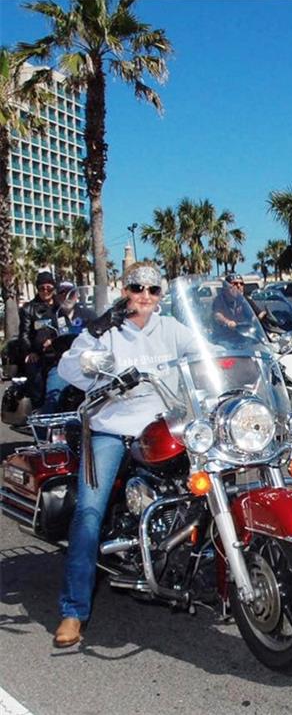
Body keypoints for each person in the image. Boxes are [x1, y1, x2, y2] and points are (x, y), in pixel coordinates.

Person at [53, 262, 201, 648]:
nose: (145, 297)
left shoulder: (171, 328)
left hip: (166, 428)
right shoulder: (108, 330)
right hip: (111, 428)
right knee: (89, 513)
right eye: (138, 288)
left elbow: (206, 351)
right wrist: (93, 349)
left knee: (212, 481)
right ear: (126, 289)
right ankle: (73, 610)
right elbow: (69, 366)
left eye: (153, 290)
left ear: (161, 294)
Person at [39, 282, 96, 414]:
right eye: (62, 293)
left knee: (104, 393)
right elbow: (41, 335)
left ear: (76, 295)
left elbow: (103, 332)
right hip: (62, 364)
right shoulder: (50, 316)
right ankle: (46, 430)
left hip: (88, 365)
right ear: (57, 296)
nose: (66, 296)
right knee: (53, 395)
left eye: (70, 293)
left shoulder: (89, 314)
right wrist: (47, 340)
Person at [18, 271, 58, 406]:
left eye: (49, 288)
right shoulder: (28, 309)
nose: (45, 291)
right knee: (36, 376)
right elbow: (24, 334)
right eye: (42, 288)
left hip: (60, 351)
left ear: (53, 287)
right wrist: (31, 352)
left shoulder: (61, 306)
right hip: (40, 354)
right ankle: (38, 409)